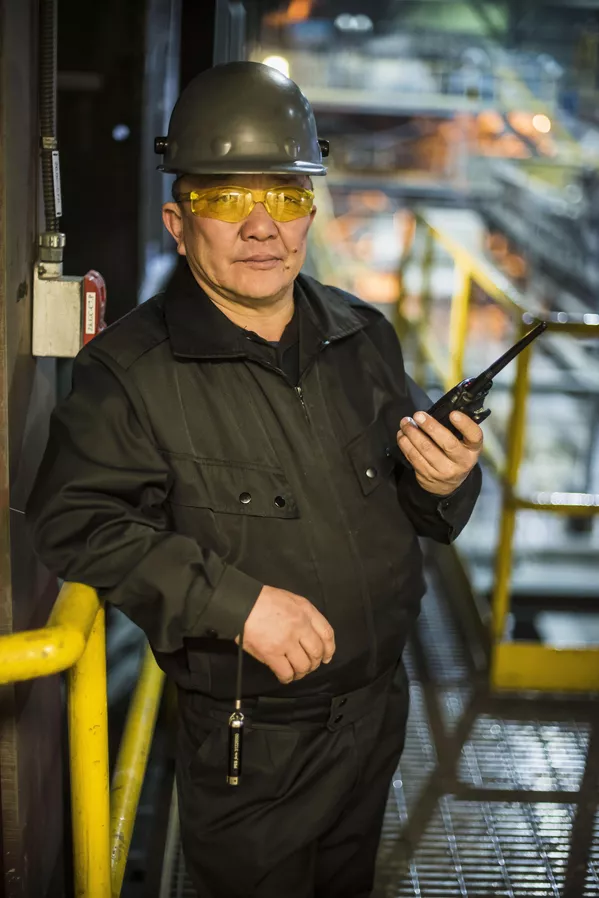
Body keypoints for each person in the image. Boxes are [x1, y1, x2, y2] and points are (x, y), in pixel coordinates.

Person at [27, 62, 482, 898]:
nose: (262, 226)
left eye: (286, 194)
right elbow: (78, 523)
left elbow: (421, 502)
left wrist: (447, 480)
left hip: (378, 710)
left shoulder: (363, 337)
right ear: (178, 222)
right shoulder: (130, 374)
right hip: (253, 741)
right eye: (226, 198)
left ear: (311, 209)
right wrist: (237, 605)